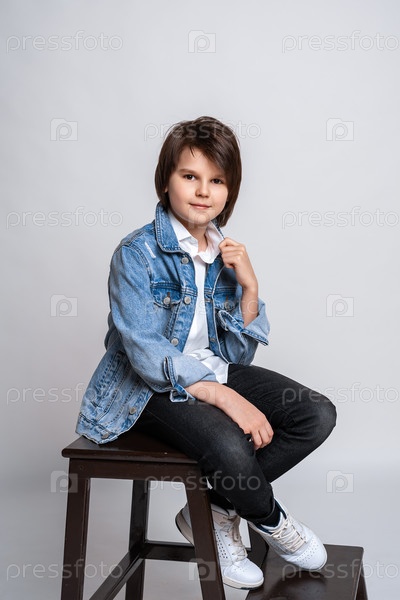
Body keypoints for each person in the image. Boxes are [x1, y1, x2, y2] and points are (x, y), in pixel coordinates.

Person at [76, 116, 337, 590]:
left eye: (217, 180)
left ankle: (215, 509)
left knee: (315, 414)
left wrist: (250, 288)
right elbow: (144, 351)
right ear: (166, 180)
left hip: (213, 372)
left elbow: (236, 353)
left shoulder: (223, 254)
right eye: (190, 176)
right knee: (230, 442)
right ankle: (273, 520)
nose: (203, 191)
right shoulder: (136, 253)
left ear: (229, 190)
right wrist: (223, 397)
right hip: (146, 390)